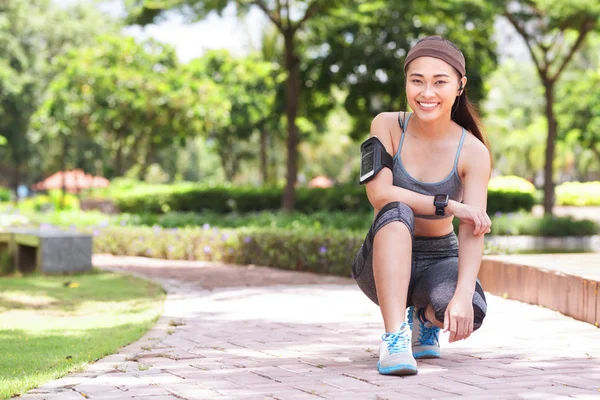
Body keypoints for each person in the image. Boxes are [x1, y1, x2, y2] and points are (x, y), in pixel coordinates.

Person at [351, 36, 493, 376]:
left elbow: (474, 230)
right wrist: (449, 205)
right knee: (396, 209)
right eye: (417, 81)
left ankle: (423, 318)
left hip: (438, 257)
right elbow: (379, 194)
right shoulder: (386, 125)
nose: (426, 93)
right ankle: (394, 337)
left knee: (470, 308)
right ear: (406, 83)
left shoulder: (473, 151)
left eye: (439, 82)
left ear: (460, 86)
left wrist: (459, 296)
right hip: (381, 261)